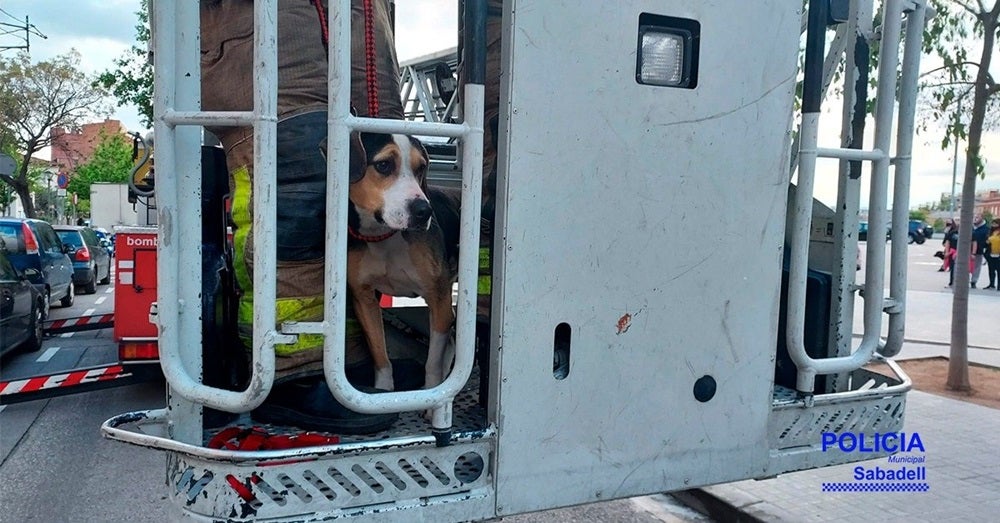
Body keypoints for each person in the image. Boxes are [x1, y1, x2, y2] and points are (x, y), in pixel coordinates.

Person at [200, 0, 415, 434]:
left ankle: (350, 358)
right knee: (296, 187)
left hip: (359, 35)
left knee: (362, 204)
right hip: (279, 38)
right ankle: (291, 372)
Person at [970, 213, 988, 288]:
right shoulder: (970, 227)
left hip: (979, 251)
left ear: (982, 218)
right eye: (975, 217)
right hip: (967, 251)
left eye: (977, 217)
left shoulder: (986, 229)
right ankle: (964, 280)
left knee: (977, 267)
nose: (975, 218)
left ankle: (974, 281)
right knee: (965, 266)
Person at [985, 219, 1000, 290]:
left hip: (998, 254)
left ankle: (999, 285)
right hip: (990, 254)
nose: (993, 225)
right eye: (993, 224)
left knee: (999, 270)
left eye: (995, 224)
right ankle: (991, 284)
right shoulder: (990, 232)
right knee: (991, 270)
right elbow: (987, 241)